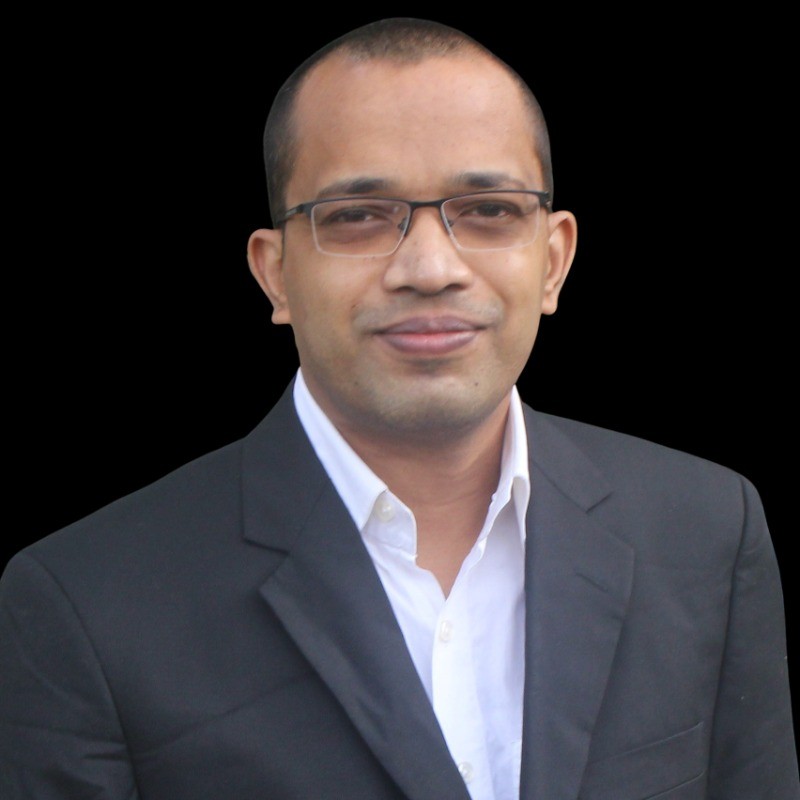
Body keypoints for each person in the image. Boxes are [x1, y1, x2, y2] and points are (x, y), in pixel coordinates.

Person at [1, 17, 797, 800]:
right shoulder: (86, 606)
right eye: (357, 217)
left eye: (487, 210)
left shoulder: (707, 531)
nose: (429, 267)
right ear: (274, 274)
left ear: (553, 261)